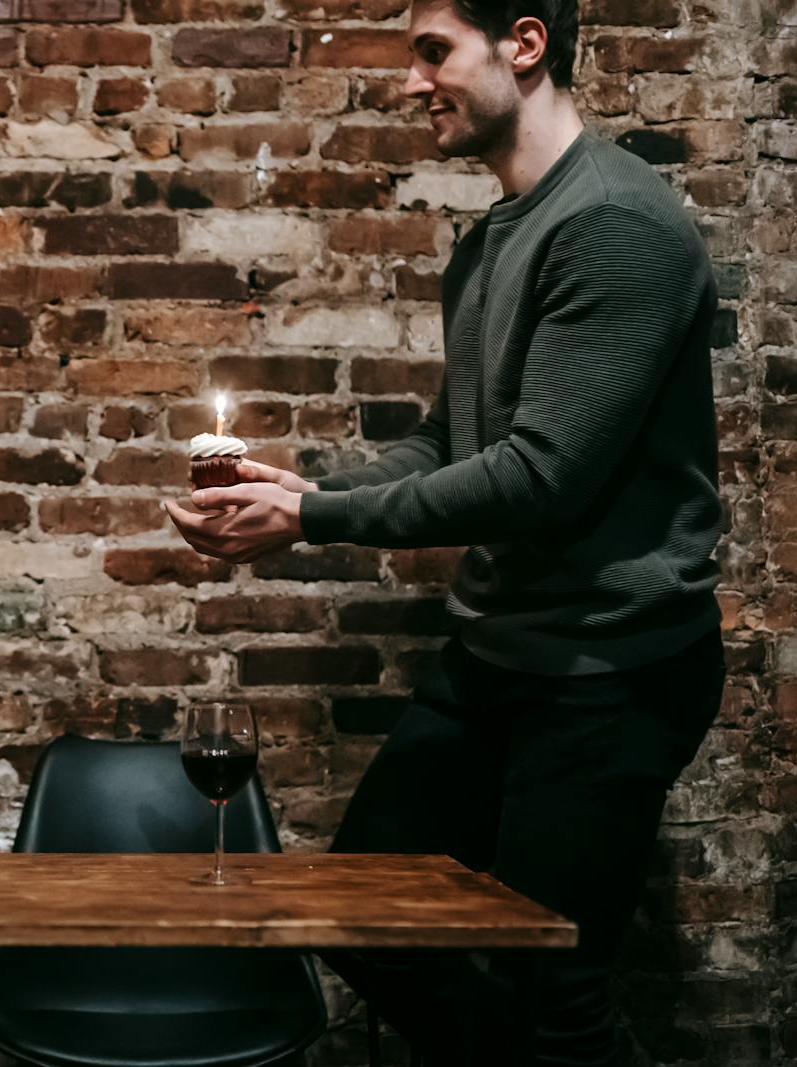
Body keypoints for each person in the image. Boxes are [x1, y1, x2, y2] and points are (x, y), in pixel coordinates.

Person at [165, 0, 725, 1063]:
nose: (412, 82)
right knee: (364, 912)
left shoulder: (615, 225)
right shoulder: (491, 239)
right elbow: (447, 440)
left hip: (609, 669)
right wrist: (306, 490)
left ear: (525, 44)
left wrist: (313, 517)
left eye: (434, 53)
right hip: (499, 653)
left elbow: (538, 479)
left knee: (557, 993)